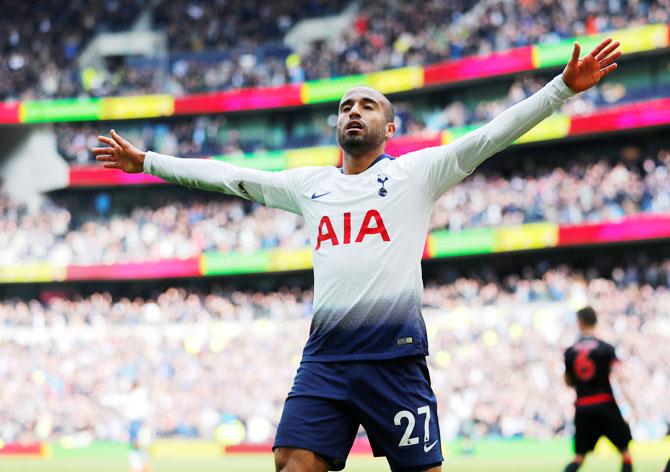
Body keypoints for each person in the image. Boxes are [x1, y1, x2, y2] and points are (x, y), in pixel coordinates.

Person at [93, 39, 621, 472]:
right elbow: (231, 176)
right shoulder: (310, 186)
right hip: (326, 358)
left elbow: (488, 136)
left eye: (367, 105)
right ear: (336, 126)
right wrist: (148, 162)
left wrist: (560, 90)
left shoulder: (417, 174)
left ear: (389, 129)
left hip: (395, 357)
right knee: (290, 462)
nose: (354, 111)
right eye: (346, 106)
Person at [563, 306, 634, 472]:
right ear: (595, 321)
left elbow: (568, 381)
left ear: (579, 322)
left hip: (583, 407)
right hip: (605, 404)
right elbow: (620, 377)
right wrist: (632, 403)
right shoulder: (606, 348)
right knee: (625, 453)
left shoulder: (569, 352)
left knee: (579, 458)